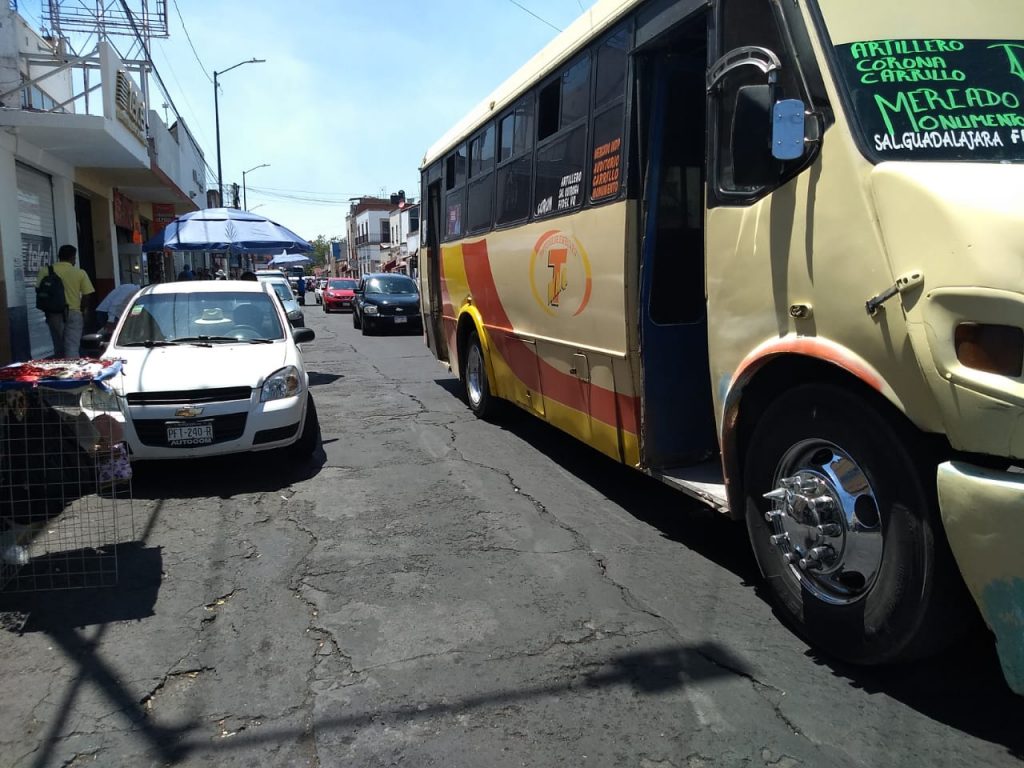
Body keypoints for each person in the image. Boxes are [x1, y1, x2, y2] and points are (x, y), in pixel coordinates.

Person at [36, 244, 95, 358]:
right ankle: (71, 373)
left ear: (59, 256)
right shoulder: (79, 273)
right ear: (73, 257)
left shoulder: (46, 270)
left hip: (54, 313)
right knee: (72, 347)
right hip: (74, 313)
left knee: (58, 346)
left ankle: (59, 370)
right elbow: (87, 294)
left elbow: (38, 290)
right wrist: (83, 311)